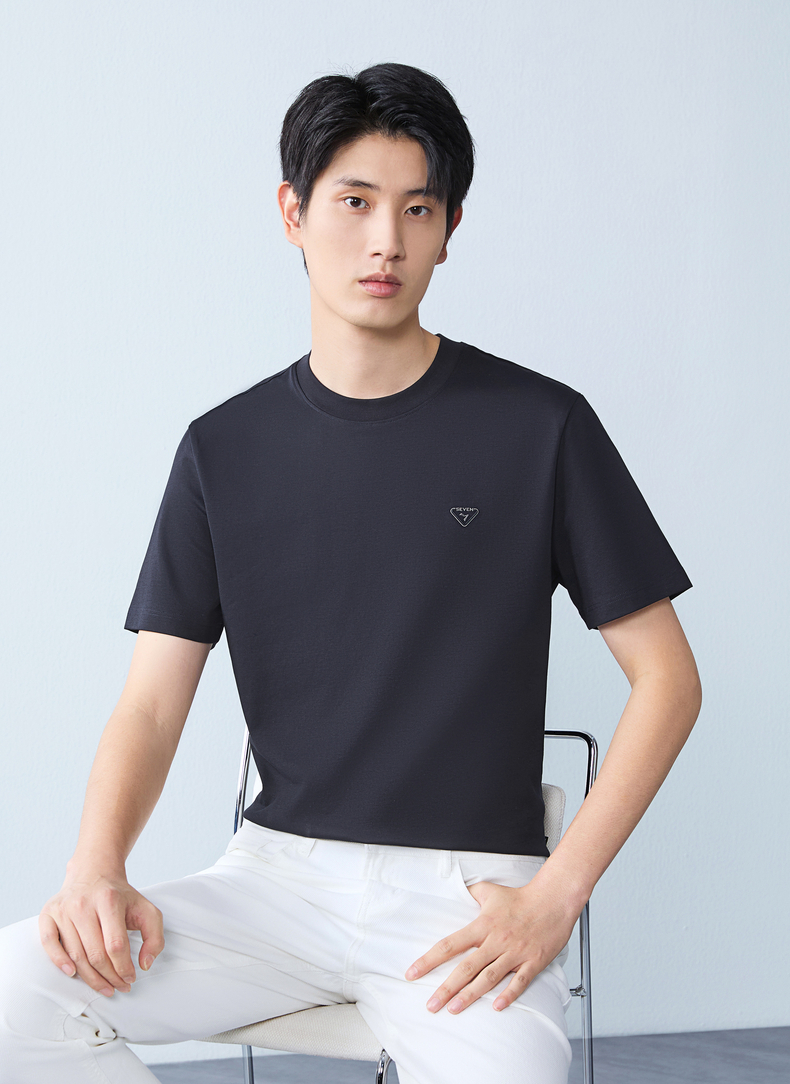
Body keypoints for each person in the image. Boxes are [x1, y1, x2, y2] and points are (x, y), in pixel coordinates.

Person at [0, 62, 701, 1084]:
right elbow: (150, 705)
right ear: (293, 213)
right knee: (17, 990)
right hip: (275, 883)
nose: (386, 242)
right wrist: (95, 868)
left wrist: (556, 895)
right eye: (356, 202)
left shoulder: (541, 426)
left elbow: (668, 679)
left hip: (466, 895)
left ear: (449, 230)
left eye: (418, 209)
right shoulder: (221, 449)